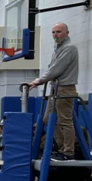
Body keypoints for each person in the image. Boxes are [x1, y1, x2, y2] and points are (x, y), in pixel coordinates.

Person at [28, 22, 80, 160]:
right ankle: (62, 147)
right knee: (47, 118)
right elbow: (52, 68)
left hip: (65, 88)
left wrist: (38, 81)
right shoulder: (57, 48)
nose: (55, 35)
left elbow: (56, 69)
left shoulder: (69, 48)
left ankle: (68, 152)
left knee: (65, 120)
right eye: (53, 32)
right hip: (55, 88)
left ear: (66, 33)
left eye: (59, 32)